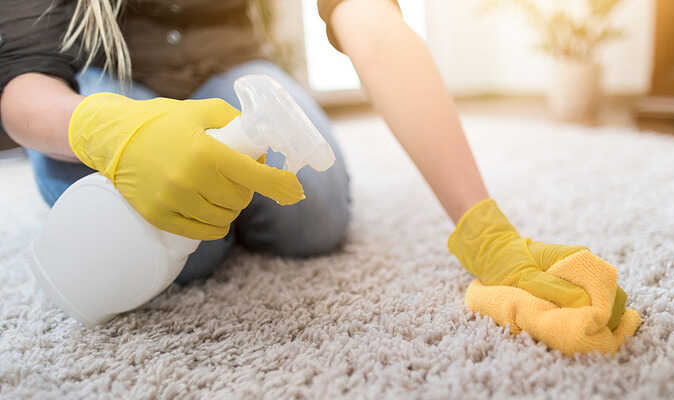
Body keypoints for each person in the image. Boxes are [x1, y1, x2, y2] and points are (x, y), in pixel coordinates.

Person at [0, 0, 636, 353]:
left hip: (230, 64)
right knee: (183, 249)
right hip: (106, 70)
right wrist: (111, 130)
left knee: (314, 216)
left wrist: (485, 230)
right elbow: (22, 80)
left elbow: (375, 28)